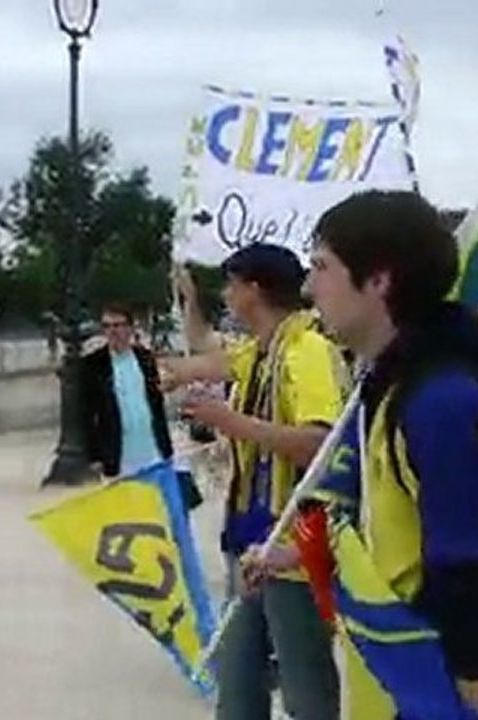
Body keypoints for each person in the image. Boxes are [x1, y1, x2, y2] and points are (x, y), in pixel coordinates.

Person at [245, 190, 478, 719]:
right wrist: (298, 554)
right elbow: (381, 522)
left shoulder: (440, 401)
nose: (309, 288)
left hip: (449, 690)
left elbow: (465, 557)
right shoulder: (390, 387)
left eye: (321, 267)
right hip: (405, 684)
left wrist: (476, 673)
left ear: (379, 280)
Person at [163, 245, 347, 720]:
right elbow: (203, 353)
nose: (226, 294)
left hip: (292, 547)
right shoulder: (261, 351)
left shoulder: (307, 351)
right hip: (247, 542)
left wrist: (227, 420)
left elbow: (317, 444)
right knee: (237, 680)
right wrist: (187, 302)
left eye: (230, 284)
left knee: (305, 687)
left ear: (255, 289)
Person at [80, 304, 201, 508]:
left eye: (118, 325)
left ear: (130, 328)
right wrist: (94, 456)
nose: (113, 331)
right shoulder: (93, 365)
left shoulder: (145, 358)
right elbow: (85, 415)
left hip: (153, 450)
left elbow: (157, 401)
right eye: (107, 326)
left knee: (160, 510)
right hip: (118, 455)